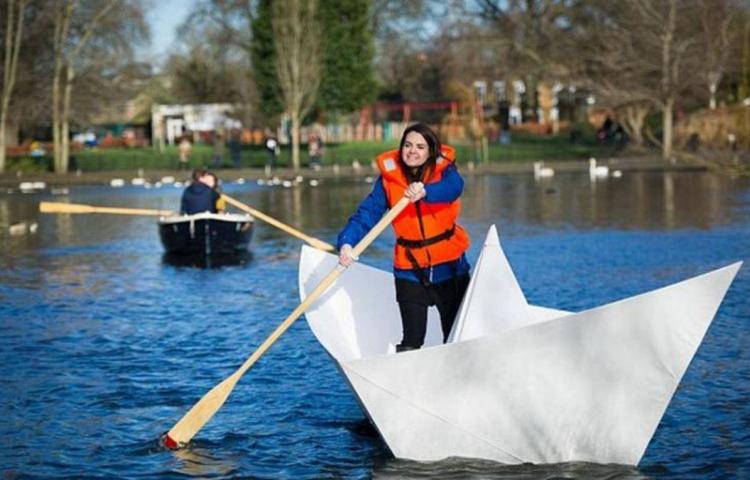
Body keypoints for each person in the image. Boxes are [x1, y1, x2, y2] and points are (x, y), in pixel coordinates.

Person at [337, 123, 471, 352]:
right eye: (408, 145)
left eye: (420, 146)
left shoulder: (445, 173)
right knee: (411, 341)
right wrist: (347, 242)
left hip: (449, 266)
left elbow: (454, 188)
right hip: (409, 268)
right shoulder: (389, 181)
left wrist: (426, 192)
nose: (412, 151)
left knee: (455, 336)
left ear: (431, 151)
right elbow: (367, 214)